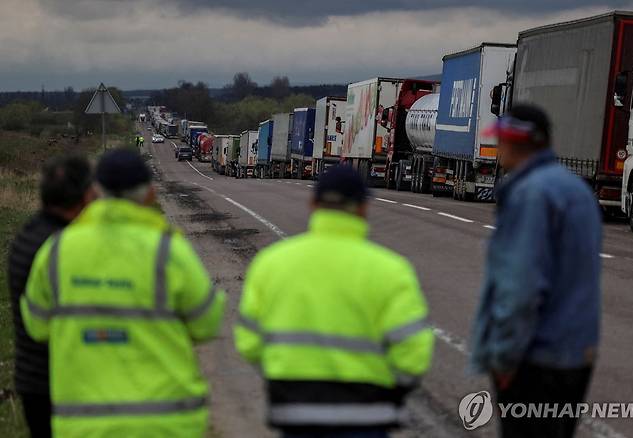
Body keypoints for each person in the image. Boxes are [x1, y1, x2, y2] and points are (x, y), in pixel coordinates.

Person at [21, 148, 225, 438]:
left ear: (94, 192)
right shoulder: (168, 250)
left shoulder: (56, 250)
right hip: (166, 422)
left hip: (84, 423)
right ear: (150, 194)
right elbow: (207, 324)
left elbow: (37, 326)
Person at [234, 165, 435, 438]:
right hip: (368, 416)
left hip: (294, 413)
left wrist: (283, 377)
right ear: (363, 208)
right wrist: (392, 390)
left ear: (313, 204)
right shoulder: (392, 270)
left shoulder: (271, 263)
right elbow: (413, 352)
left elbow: (249, 341)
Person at [470, 105, 602, 438]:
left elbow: (521, 288)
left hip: (535, 358)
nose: (498, 149)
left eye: (500, 141)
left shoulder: (529, 194)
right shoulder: (578, 192)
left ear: (514, 142)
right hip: (577, 354)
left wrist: (503, 357)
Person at [8, 155, 95, 438]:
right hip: (62, 380)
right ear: (83, 196)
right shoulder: (63, 248)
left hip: (32, 378)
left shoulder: (30, 233)